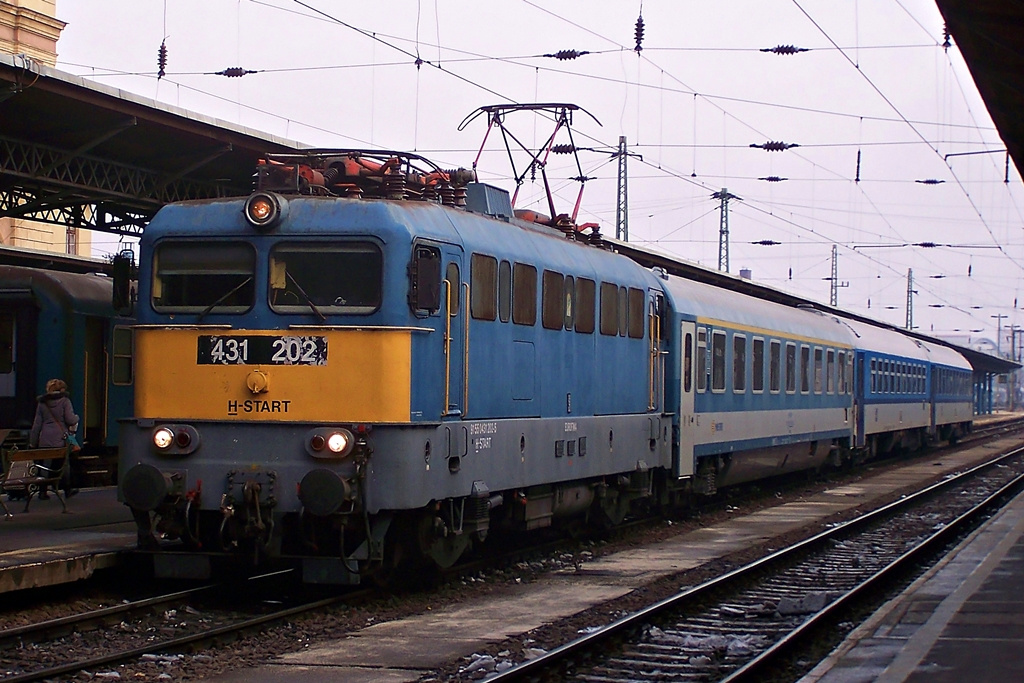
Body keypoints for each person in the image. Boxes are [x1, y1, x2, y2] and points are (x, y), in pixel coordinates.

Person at [28, 378, 79, 499]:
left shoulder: (42, 403)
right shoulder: (65, 401)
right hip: (60, 439)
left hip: (45, 439)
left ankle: (42, 492)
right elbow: (70, 419)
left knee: (45, 465)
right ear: (61, 389)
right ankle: (67, 489)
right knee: (64, 465)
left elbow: (37, 425)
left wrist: (32, 443)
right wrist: (76, 417)